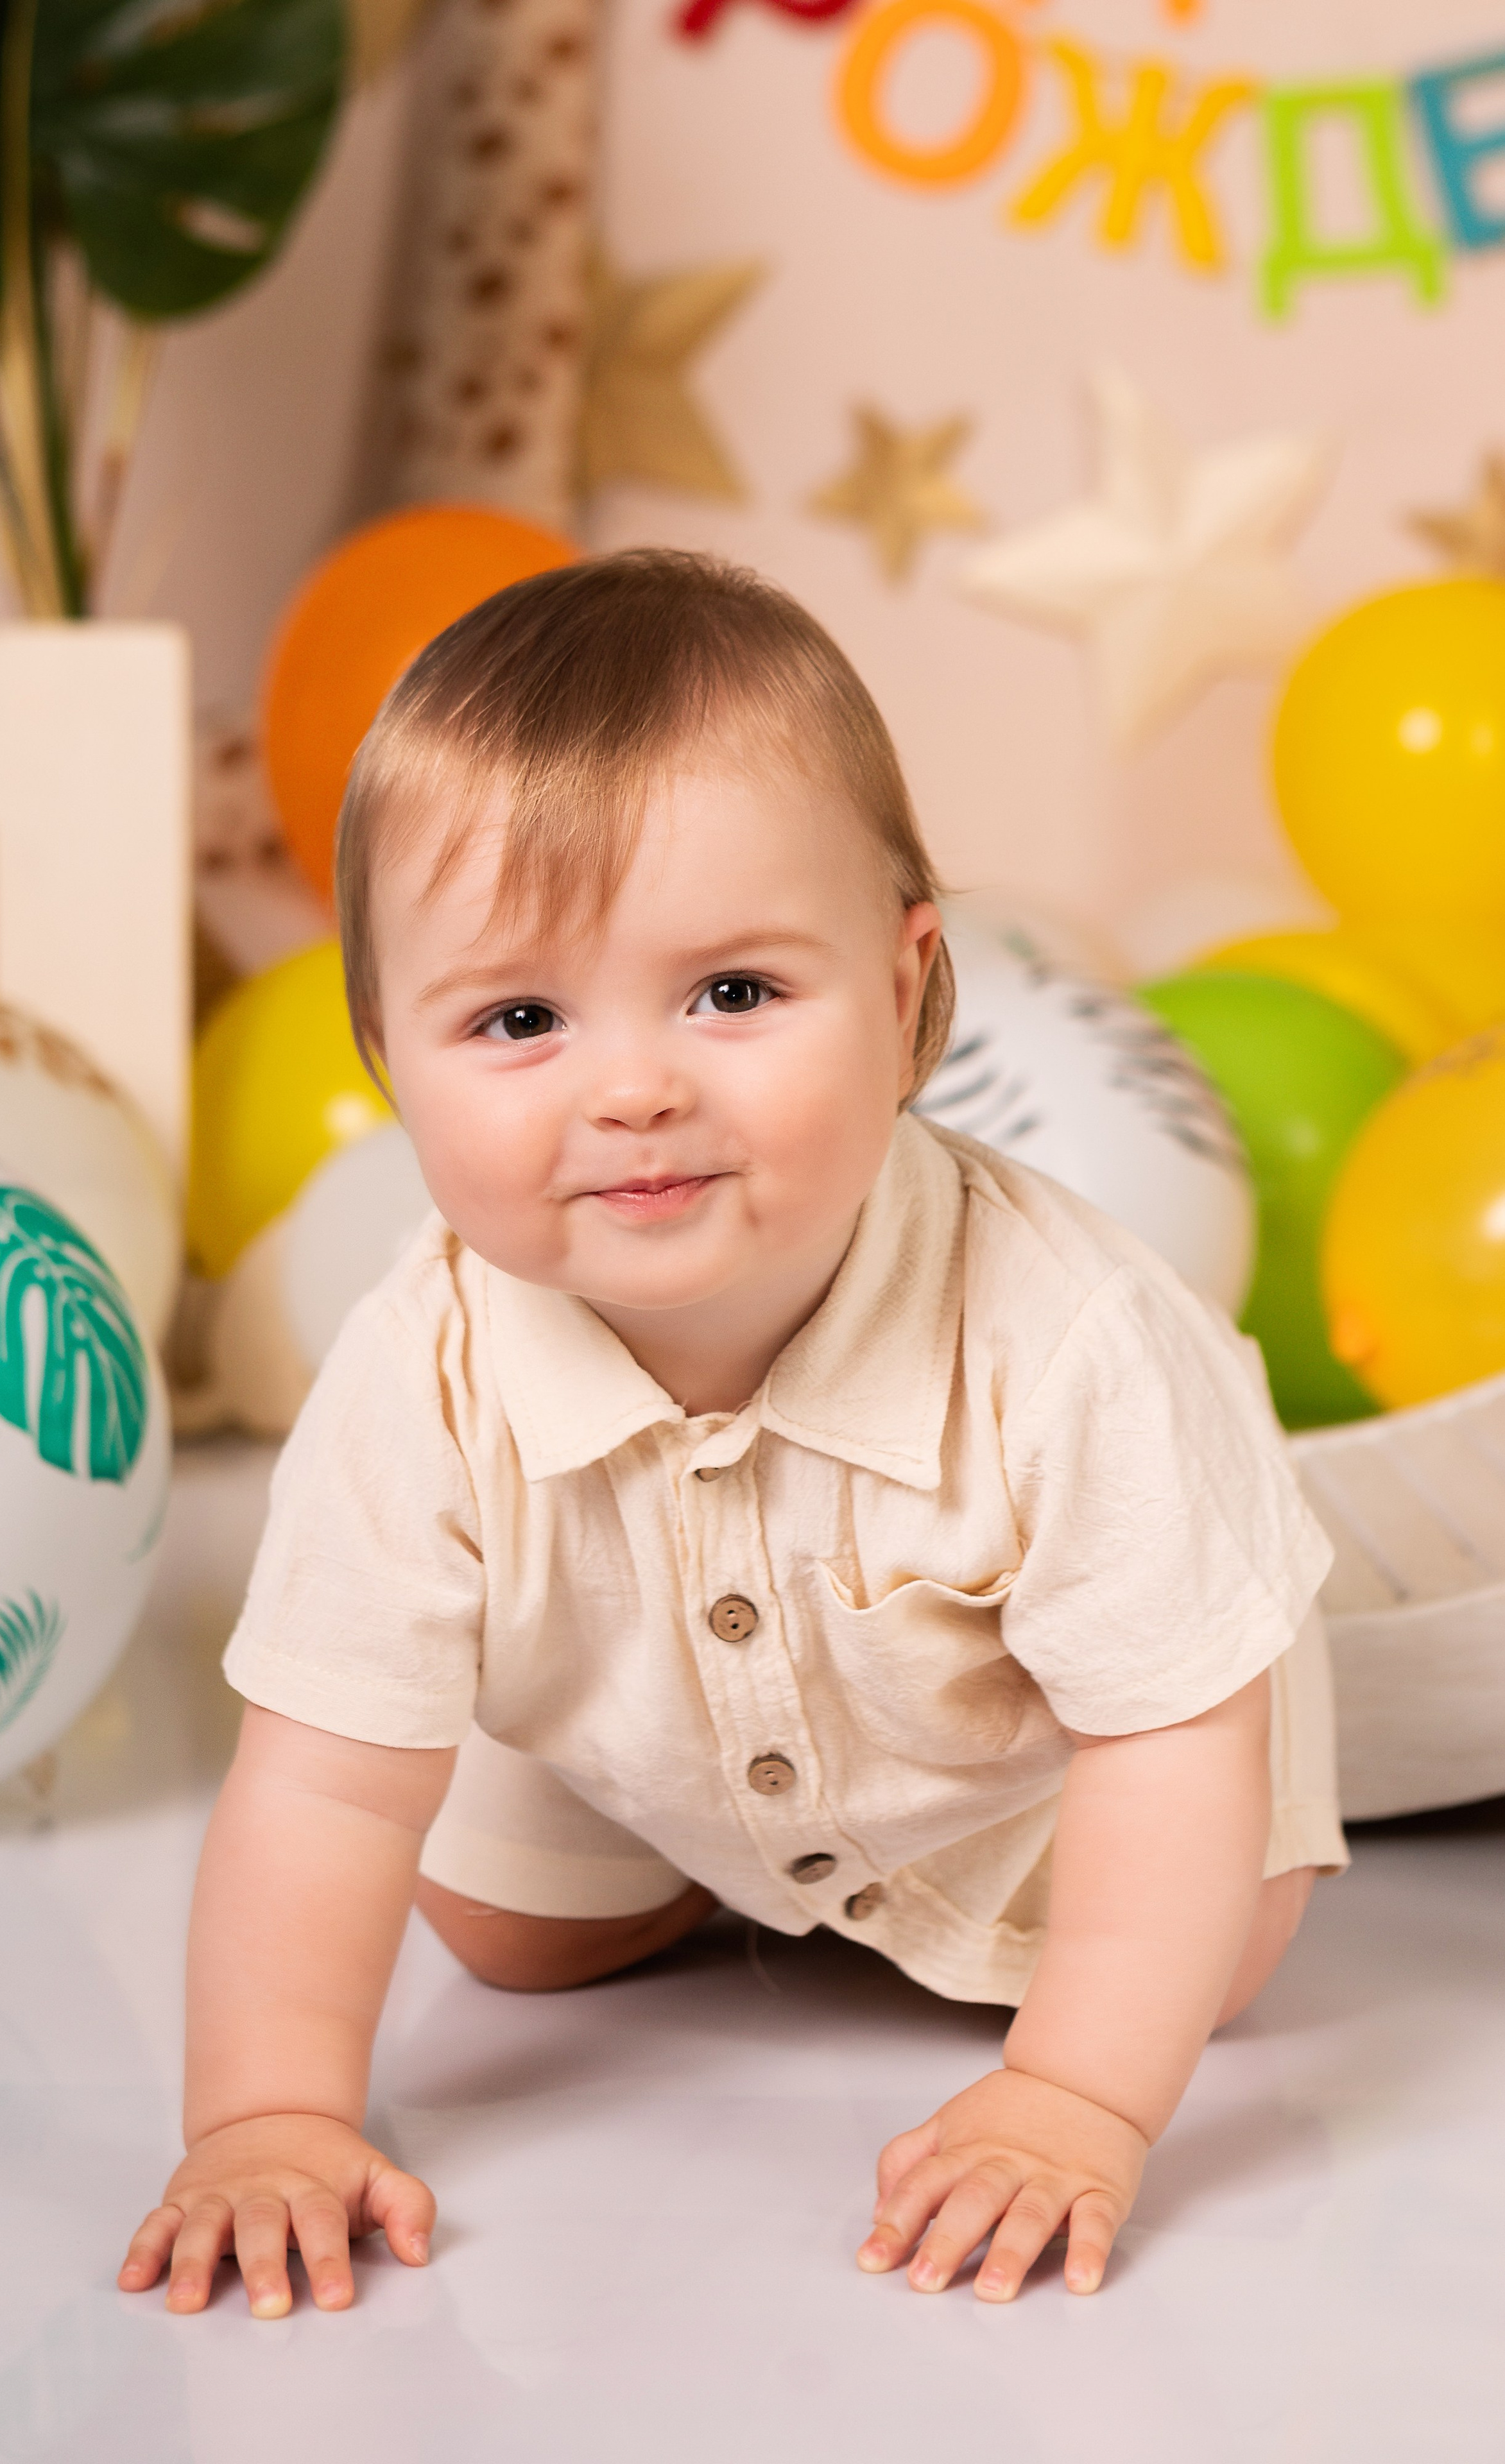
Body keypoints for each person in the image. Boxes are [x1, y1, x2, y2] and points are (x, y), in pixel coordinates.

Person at [120, 550, 1342, 2319]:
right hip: (667, 1746)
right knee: (507, 1940)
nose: (636, 1090)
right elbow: (316, 1774)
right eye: (520, 1020)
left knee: (1210, 1953)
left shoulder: (1069, 1336)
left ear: (910, 985)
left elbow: (1168, 1743)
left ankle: (1080, 1952)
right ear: (390, 1055)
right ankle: (711, 1873)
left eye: (734, 993)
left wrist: (1074, 2098)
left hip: (1048, 1792)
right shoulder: (423, 1361)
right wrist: (268, 2112)